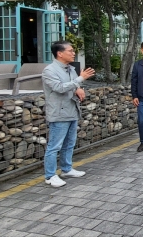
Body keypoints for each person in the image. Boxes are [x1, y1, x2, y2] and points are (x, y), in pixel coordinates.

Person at [42, 41, 95, 187]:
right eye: (70, 51)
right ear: (60, 53)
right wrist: (80, 79)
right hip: (59, 113)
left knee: (69, 143)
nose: (73, 53)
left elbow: (72, 84)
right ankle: (50, 175)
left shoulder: (70, 69)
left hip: (72, 110)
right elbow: (59, 87)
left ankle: (66, 169)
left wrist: (78, 87)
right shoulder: (49, 70)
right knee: (55, 146)